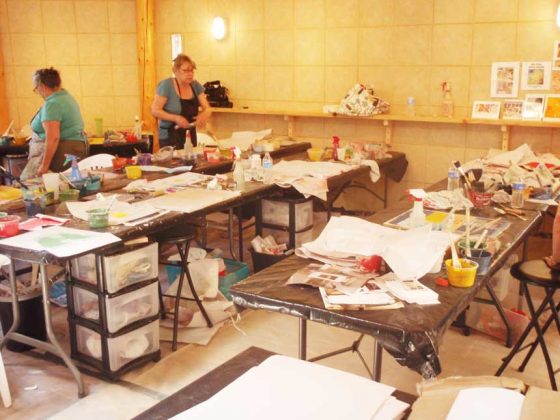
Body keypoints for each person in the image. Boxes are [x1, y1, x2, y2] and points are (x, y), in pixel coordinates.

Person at [21, 67, 86, 180]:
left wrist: (44, 166)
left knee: (52, 186)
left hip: (63, 150)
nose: (38, 92)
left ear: (42, 86)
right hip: (75, 147)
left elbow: (53, 137)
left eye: (36, 88)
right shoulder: (66, 97)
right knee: (70, 184)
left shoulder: (52, 104)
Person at [151, 54, 212, 149]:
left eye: (192, 70)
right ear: (175, 71)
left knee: (190, 157)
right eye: (185, 70)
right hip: (169, 136)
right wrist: (176, 118)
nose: (190, 74)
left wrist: (204, 115)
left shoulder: (195, 85)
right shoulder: (166, 85)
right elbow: (155, 110)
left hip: (189, 135)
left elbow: (207, 108)